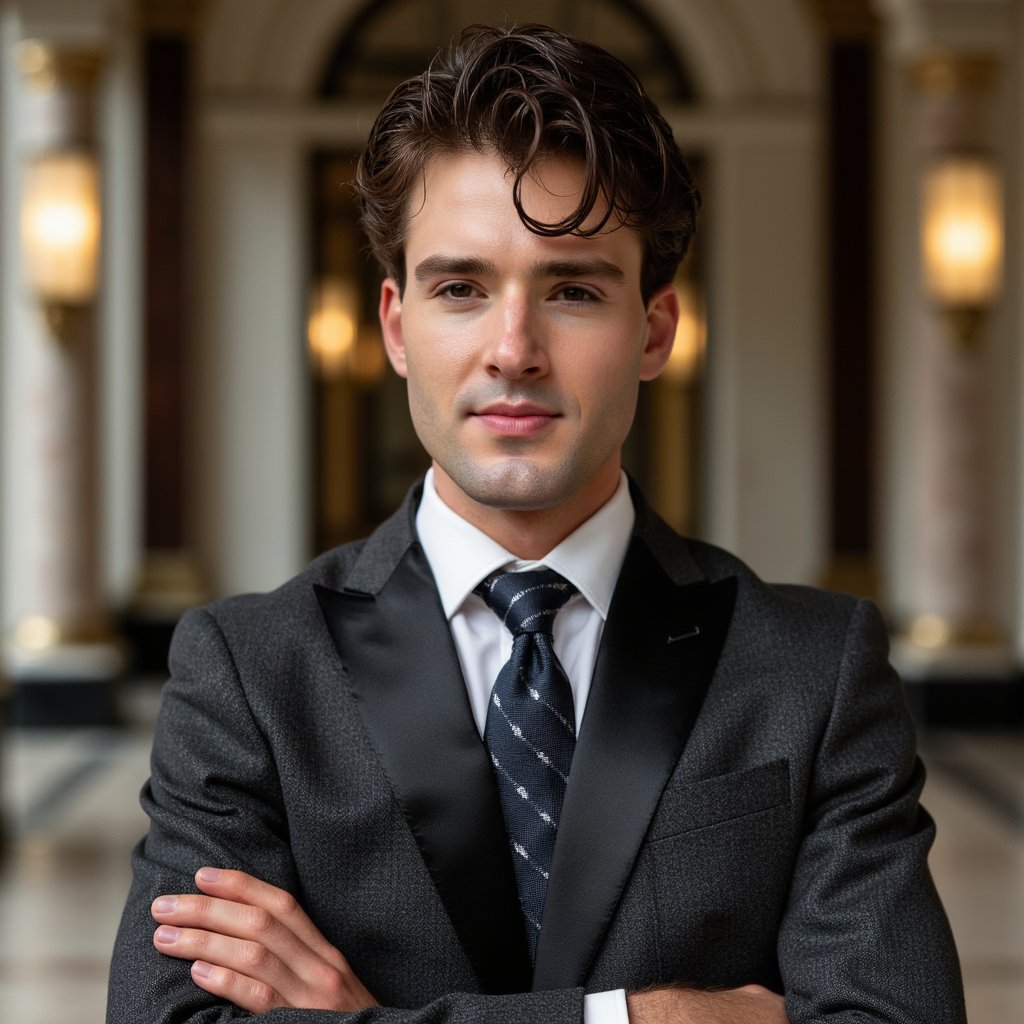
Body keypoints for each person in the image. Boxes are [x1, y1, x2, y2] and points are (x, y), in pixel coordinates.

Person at [107, 24, 965, 1024]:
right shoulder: (247, 675)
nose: (512, 348)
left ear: (653, 331)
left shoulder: (814, 671)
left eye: (571, 289)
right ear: (396, 326)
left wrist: (361, 1014)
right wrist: (645, 1018)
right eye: (461, 288)